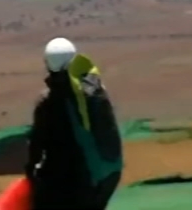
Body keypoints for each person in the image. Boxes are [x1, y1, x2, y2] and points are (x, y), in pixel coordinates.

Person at [25, 37, 123, 210]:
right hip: (106, 176)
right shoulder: (94, 87)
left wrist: (32, 174)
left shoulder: (49, 101)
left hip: (78, 181)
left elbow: (37, 145)